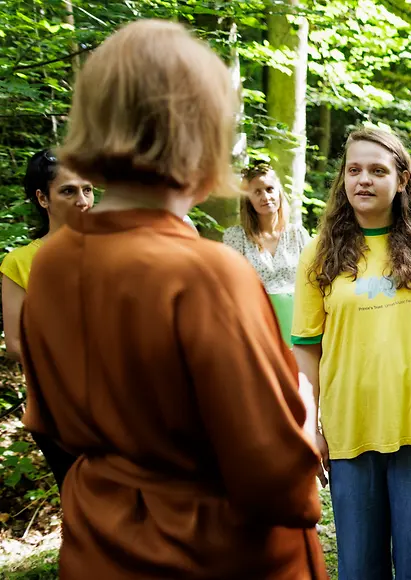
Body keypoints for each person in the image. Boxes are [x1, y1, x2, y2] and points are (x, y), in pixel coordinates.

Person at [18, 20, 326, 579]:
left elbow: (46, 420)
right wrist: (302, 407)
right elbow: (276, 478)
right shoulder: (207, 272)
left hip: (100, 546)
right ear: (199, 132)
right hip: (212, 554)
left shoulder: (51, 266)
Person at [291, 127, 411, 580]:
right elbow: (306, 350)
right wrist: (307, 425)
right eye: (354, 170)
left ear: (403, 180)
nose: (364, 180)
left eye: (378, 170)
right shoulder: (318, 254)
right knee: (359, 567)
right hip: (350, 428)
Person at [1, 149, 93, 491]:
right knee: (81, 503)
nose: (82, 200)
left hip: (121, 401)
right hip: (58, 406)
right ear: (42, 198)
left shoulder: (116, 250)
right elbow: (14, 344)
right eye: (68, 191)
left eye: (87, 189)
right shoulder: (20, 262)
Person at [223, 162, 310, 344]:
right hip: (256, 326)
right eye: (257, 192)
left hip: (298, 325)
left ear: (278, 192)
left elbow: (315, 280)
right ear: (248, 199)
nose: (265, 196)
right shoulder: (236, 237)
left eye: (270, 189)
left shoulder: (297, 234)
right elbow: (230, 288)